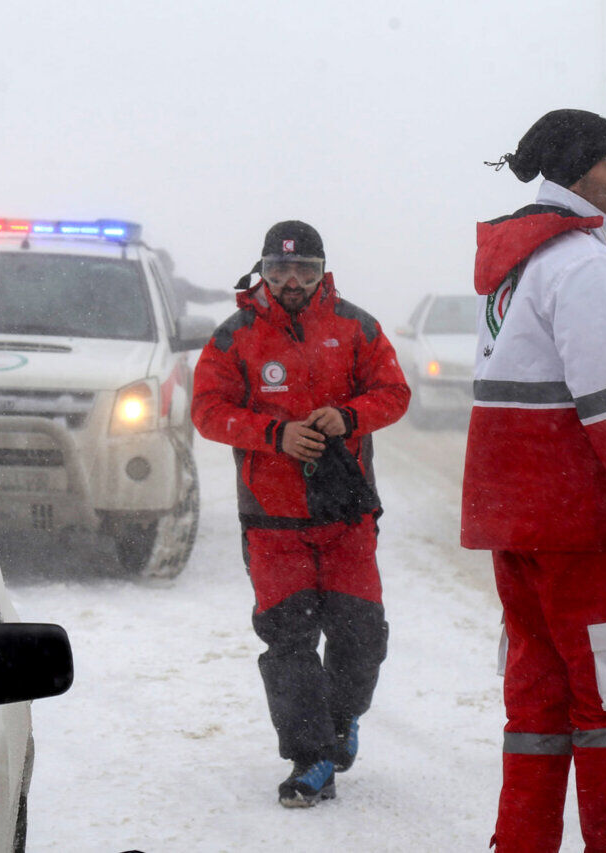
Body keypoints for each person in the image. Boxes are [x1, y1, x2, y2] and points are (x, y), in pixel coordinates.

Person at [461, 109, 606, 852]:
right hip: (585, 528)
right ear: (579, 169)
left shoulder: (520, 263)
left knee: (540, 704)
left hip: (520, 524)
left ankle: (520, 842)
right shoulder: (586, 265)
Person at [191, 220, 410, 807]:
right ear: (262, 269)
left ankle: (343, 721)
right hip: (272, 521)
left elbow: (395, 393)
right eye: (280, 269)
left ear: (322, 272)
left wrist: (351, 416)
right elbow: (208, 412)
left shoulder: (356, 326)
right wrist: (272, 433)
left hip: (347, 517)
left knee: (360, 636)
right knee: (288, 643)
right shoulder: (233, 336)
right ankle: (311, 759)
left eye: (305, 270)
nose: (292, 281)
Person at [153, 247, 231, 316]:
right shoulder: (179, 287)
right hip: (175, 330)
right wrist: (227, 296)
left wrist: (227, 296)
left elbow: (204, 296)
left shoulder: (179, 287)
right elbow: (204, 296)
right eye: (165, 266)